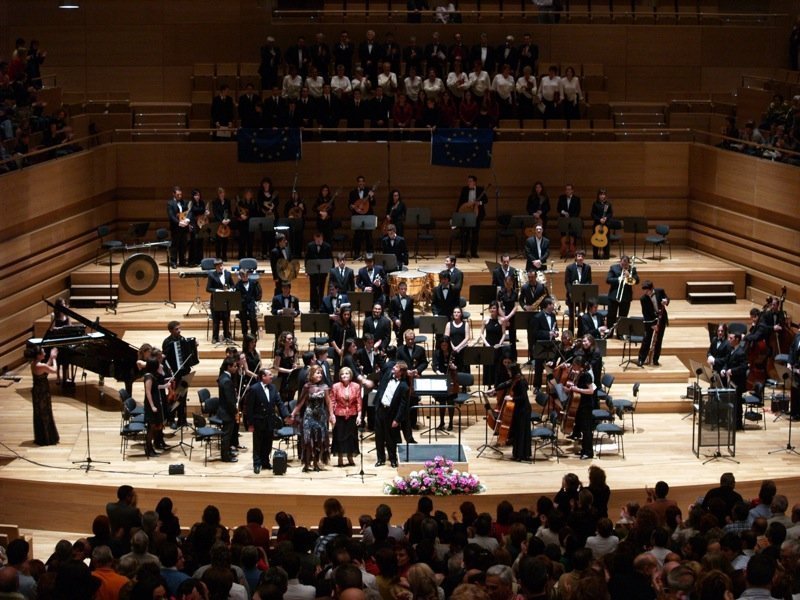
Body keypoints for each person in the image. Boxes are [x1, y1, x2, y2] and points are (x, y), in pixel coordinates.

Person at [290, 364, 333, 472]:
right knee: (308, 441)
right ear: (312, 374)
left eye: (321, 373)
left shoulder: (325, 387)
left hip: (321, 417)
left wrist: (332, 415)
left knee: (319, 440)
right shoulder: (307, 387)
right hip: (309, 417)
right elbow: (300, 403)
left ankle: (316, 463)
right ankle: (307, 463)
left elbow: (328, 402)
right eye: (318, 373)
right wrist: (293, 414)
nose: (320, 375)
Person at [246, 368, 287, 474]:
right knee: (258, 443)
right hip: (258, 421)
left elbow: (279, 403)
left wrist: (286, 415)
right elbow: (249, 408)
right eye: (269, 374)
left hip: (270, 420)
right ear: (263, 377)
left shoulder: (273, 388)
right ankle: (257, 463)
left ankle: (265, 462)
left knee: (268, 443)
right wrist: (250, 424)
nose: (272, 376)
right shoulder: (254, 389)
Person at [373, 361, 410, 468]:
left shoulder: (404, 386)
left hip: (391, 413)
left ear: (401, 372)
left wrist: (397, 420)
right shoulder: (387, 375)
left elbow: (403, 406)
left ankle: (393, 459)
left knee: (391, 438)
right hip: (380, 409)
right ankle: (380, 458)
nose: (394, 367)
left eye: (397, 367)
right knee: (379, 436)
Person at [493, 364, 531, 461]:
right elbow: (506, 384)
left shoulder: (521, 382)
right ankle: (517, 454)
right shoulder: (515, 379)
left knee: (521, 432)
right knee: (517, 432)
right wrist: (494, 390)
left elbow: (523, 398)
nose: (508, 373)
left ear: (513, 371)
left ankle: (522, 455)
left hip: (523, 410)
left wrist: (512, 398)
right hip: (518, 409)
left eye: (509, 371)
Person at [25, 344, 59, 446]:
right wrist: (54, 359)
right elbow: (54, 370)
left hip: (37, 391)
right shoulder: (41, 366)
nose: (45, 353)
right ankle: (47, 439)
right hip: (43, 392)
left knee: (40, 414)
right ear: (39, 355)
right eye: (43, 352)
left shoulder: (34, 364)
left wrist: (50, 358)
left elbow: (46, 368)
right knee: (45, 414)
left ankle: (42, 437)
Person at [398, 329, 428, 440]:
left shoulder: (420, 349)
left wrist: (417, 370)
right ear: (405, 339)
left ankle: (413, 422)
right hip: (404, 379)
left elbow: (424, 362)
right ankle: (403, 422)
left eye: (412, 339)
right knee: (404, 401)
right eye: (408, 339)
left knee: (414, 399)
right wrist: (406, 371)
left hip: (416, 378)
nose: (411, 341)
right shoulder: (400, 350)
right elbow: (398, 363)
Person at [161, 320, 193, 427]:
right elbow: (164, 359)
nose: (179, 331)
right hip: (174, 374)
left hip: (184, 373)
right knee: (174, 398)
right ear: (170, 331)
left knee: (182, 397)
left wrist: (194, 346)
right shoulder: (167, 342)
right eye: (176, 329)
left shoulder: (182, 339)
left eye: (180, 328)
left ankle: (182, 420)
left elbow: (188, 353)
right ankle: (171, 420)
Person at [331, 366, 362, 467]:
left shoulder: (356, 386)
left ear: (350, 375)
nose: (344, 376)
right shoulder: (336, 386)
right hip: (339, 414)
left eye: (346, 373)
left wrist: (359, 416)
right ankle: (340, 457)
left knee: (351, 437)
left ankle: (350, 457)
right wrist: (332, 415)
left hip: (352, 414)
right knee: (339, 437)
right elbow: (332, 401)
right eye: (342, 374)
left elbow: (358, 402)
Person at [566, 355, 596, 460]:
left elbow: (591, 390)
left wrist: (577, 389)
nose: (573, 367)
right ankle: (584, 450)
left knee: (587, 430)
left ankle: (589, 452)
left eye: (574, 365)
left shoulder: (586, 375)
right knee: (583, 429)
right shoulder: (579, 374)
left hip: (586, 406)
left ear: (579, 365)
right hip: (580, 405)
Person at [520, 269, 549, 366]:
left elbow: (546, 299)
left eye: (532, 277)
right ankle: (531, 358)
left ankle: (541, 358)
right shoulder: (524, 287)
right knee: (530, 338)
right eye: (529, 277)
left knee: (539, 337)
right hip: (529, 315)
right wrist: (525, 307)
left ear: (536, 276)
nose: (531, 279)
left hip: (539, 314)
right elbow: (521, 300)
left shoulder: (542, 287)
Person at [638, 280, 669, 367]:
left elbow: (667, 297)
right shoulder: (643, 299)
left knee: (658, 340)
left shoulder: (660, 291)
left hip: (661, 318)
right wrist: (652, 325)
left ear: (652, 289)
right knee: (647, 340)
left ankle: (655, 360)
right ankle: (641, 359)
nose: (645, 292)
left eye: (647, 290)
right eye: (644, 290)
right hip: (650, 321)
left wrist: (666, 301)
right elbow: (645, 313)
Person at [530, 297, 559, 390]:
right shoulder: (537, 317)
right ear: (547, 306)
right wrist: (548, 333)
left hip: (551, 344)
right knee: (539, 367)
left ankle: (550, 385)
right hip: (541, 345)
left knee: (551, 366)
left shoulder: (553, 315)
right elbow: (534, 333)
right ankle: (537, 387)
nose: (553, 306)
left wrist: (556, 332)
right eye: (552, 304)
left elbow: (555, 327)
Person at [457, 175, 487, 258]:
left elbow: (486, 200)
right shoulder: (464, 189)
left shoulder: (480, 189)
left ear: (474, 182)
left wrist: (479, 203)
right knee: (464, 234)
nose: (468, 182)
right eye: (468, 181)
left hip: (476, 214)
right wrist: (458, 213)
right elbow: (460, 201)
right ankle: (463, 252)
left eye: (470, 181)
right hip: (466, 214)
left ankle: (474, 253)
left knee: (475, 234)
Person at [606, 255, 639, 329]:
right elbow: (608, 280)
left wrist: (628, 277)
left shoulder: (632, 269)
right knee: (611, 315)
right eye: (622, 263)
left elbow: (636, 281)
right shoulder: (613, 268)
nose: (624, 265)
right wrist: (618, 279)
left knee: (623, 317)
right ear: (620, 261)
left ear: (628, 263)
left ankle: (620, 333)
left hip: (626, 297)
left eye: (626, 264)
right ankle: (609, 333)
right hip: (614, 296)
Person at [480, 301, 508, 388]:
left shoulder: (501, 320)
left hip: (497, 346)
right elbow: (481, 333)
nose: (493, 309)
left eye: (494, 308)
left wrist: (500, 344)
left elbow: (504, 333)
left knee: (497, 366)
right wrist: (486, 344)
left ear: (497, 309)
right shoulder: (485, 319)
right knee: (488, 366)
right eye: (491, 308)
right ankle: (488, 386)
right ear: (489, 309)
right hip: (488, 345)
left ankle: (497, 385)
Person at [723, 332, 747, 430]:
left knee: (737, 403)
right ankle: (733, 422)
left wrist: (732, 371)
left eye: (731, 338)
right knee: (734, 402)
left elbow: (743, 367)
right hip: (732, 382)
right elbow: (727, 362)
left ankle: (738, 424)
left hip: (738, 382)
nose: (729, 339)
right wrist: (724, 369)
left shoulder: (741, 352)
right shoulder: (732, 350)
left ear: (737, 339)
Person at [217, 357, 239, 463]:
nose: (236, 368)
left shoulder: (224, 377)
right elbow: (229, 400)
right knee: (226, 435)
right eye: (234, 366)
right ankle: (225, 456)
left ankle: (227, 452)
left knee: (228, 434)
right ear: (229, 367)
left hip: (225, 410)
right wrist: (235, 411)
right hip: (227, 412)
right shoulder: (226, 380)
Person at [207, 259, 234, 344]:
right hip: (216, 300)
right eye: (219, 266)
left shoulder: (228, 274)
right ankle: (215, 337)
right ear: (215, 267)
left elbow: (233, 285)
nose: (221, 267)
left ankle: (227, 336)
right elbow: (208, 288)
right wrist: (218, 291)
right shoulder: (211, 275)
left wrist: (231, 290)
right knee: (216, 320)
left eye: (222, 265)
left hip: (226, 300)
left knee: (226, 319)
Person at [142, 357, 166, 458]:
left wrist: (165, 386)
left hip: (155, 403)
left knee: (153, 427)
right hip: (151, 405)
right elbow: (148, 392)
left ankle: (150, 448)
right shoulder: (148, 376)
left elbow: (155, 387)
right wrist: (152, 406)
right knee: (151, 428)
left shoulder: (152, 375)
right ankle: (148, 449)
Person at [565, 250, 592, 333]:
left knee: (582, 315)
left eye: (582, 256)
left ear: (583, 258)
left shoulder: (587, 267)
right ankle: (571, 333)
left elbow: (589, 281)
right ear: (576, 258)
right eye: (578, 256)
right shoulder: (569, 268)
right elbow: (567, 282)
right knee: (572, 316)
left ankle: (581, 332)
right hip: (572, 295)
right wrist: (570, 292)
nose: (580, 258)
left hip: (583, 296)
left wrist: (583, 289)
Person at [349, 175, 376, 258]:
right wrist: (352, 206)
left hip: (367, 215)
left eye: (362, 181)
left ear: (364, 182)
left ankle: (370, 254)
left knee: (369, 235)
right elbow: (349, 204)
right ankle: (356, 254)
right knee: (357, 235)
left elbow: (374, 203)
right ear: (357, 183)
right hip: (357, 216)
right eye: (359, 181)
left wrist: (371, 197)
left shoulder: (369, 191)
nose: (361, 183)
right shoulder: (352, 192)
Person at [306, 231, 332, 312]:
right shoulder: (310, 246)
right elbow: (307, 259)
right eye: (316, 239)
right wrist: (307, 271)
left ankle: (320, 306)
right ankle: (312, 307)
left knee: (321, 289)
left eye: (319, 239)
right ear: (314, 238)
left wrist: (332, 271)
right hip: (313, 272)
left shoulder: (327, 246)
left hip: (323, 272)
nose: (318, 241)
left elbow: (330, 259)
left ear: (322, 238)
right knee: (313, 290)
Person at [49, 297, 72, 387]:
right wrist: (60, 328)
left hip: (65, 339)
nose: (64, 305)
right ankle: (58, 377)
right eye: (62, 304)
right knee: (59, 360)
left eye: (64, 304)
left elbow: (70, 325)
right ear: (59, 305)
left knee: (67, 358)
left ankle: (67, 376)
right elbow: (52, 328)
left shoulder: (67, 314)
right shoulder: (54, 315)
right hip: (57, 339)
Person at [167, 186, 190, 268]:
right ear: (173, 194)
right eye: (178, 195)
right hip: (175, 228)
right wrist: (179, 223)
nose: (180, 196)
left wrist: (187, 220)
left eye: (180, 195)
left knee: (183, 245)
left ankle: (182, 261)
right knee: (175, 245)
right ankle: (173, 262)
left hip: (184, 227)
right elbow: (171, 216)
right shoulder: (170, 203)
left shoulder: (184, 202)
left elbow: (187, 212)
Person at [272, 331, 298, 405]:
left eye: (292, 339)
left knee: (292, 394)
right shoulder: (279, 352)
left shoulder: (294, 350)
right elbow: (276, 366)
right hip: (283, 376)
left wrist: (295, 365)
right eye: (289, 339)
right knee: (283, 396)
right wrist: (288, 371)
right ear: (284, 340)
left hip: (292, 376)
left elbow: (295, 362)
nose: (291, 341)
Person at [556, 183, 581, 258]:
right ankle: (563, 249)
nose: (567, 191)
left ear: (572, 190)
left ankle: (572, 249)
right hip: (563, 219)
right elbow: (558, 209)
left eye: (569, 189)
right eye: (566, 189)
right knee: (563, 232)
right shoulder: (561, 198)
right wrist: (564, 213)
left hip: (573, 219)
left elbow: (578, 210)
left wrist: (570, 216)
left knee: (572, 232)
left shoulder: (577, 199)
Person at [235, 269, 262, 339]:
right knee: (243, 319)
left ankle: (253, 333)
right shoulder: (238, 285)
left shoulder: (253, 283)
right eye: (243, 276)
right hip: (242, 305)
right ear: (240, 276)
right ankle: (245, 333)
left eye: (246, 275)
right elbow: (237, 296)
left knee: (253, 319)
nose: (245, 277)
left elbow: (257, 293)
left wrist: (256, 301)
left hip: (251, 304)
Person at [445, 306, 471, 372]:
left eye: (458, 312)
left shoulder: (466, 324)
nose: (456, 314)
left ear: (461, 314)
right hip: (452, 350)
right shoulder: (449, 324)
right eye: (455, 312)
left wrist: (458, 347)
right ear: (453, 314)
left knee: (464, 370)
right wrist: (453, 347)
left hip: (463, 350)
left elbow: (467, 337)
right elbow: (446, 338)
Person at [590, 188, 613, 260]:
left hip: (606, 225)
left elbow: (610, 213)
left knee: (606, 240)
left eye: (604, 194)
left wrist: (606, 218)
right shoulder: (595, 204)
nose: (602, 196)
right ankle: (596, 255)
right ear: (598, 195)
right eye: (601, 194)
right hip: (597, 224)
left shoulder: (608, 204)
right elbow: (592, 214)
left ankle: (606, 255)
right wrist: (599, 219)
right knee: (596, 239)